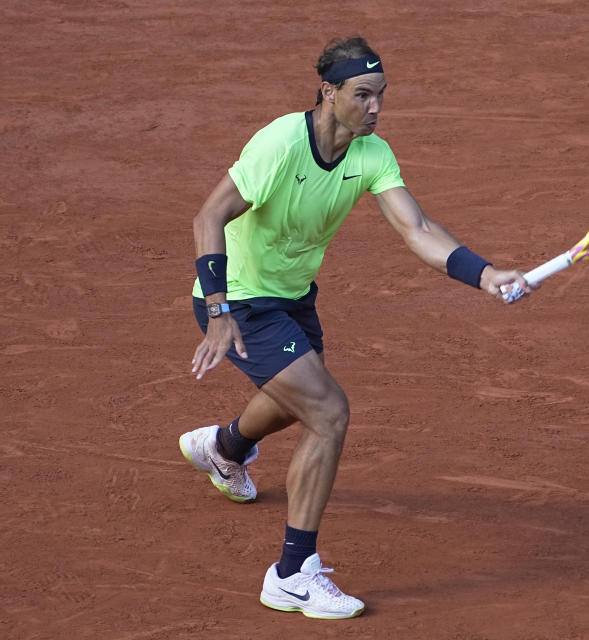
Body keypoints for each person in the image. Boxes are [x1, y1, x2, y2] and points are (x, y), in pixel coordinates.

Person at [177, 36, 533, 620]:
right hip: (240, 298)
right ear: (329, 92)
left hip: (292, 297)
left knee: (295, 401)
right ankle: (291, 574)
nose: (375, 108)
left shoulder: (372, 155)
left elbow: (415, 226)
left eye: (381, 96)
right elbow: (209, 215)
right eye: (363, 95)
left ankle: (223, 447)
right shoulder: (281, 143)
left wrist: (486, 274)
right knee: (328, 410)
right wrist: (217, 311)